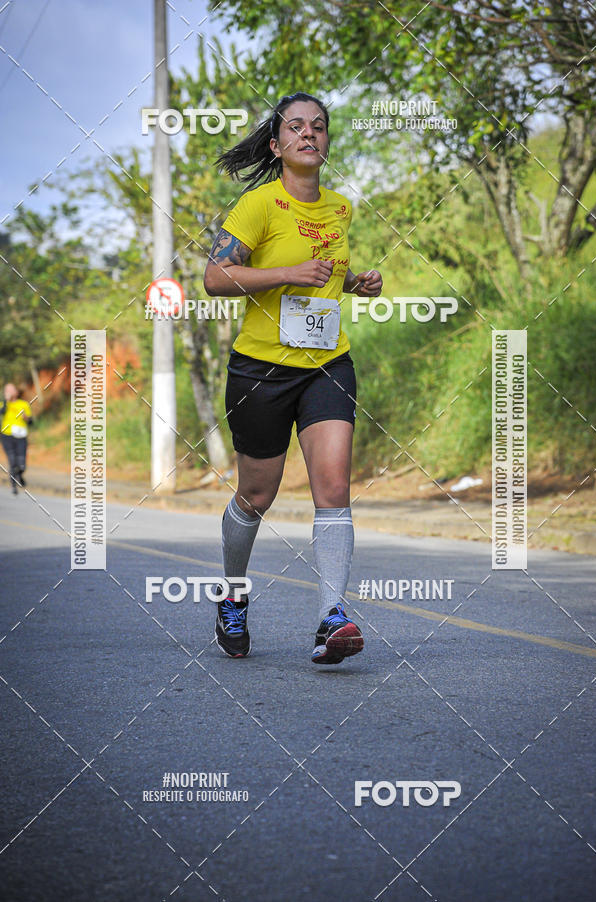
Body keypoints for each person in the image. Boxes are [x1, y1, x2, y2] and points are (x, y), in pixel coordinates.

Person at [203, 91, 382, 664]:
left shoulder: (339, 208)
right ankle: (233, 596)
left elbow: (324, 273)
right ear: (277, 145)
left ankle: (332, 617)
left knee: (332, 488)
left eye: (320, 127)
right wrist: (289, 273)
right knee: (257, 495)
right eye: (297, 127)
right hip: (261, 370)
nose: (310, 134)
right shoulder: (257, 205)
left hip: (327, 363)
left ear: (327, 142)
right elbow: (214, 277)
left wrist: (355, 283)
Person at [1, 383, 33, 495]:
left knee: (22, 464)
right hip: (7, 435)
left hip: (21, 436)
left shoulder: (24, 404)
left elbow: (31, 421)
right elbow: (2, 412)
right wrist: (6, 401)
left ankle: (20, 474)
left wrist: (26, 418)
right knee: (12, 460)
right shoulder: (3, 404)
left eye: (11, 390)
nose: (9, 392)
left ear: (16, 391)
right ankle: (14, 486)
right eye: (7, 390)